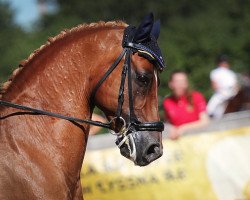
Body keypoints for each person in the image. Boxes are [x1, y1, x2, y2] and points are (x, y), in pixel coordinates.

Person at [163, 70, 209, 140]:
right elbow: (168, 123)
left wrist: (183, 128)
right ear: (171, 84)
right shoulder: (167, 102)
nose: (180, 85)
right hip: (180, 142)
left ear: (186, 83)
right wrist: (171, 129)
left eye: (183, 81)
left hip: (199, 138)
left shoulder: (197, 96)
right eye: (177, 82)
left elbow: (205, 121)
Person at [207, 54, 238, 119]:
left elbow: (214, 86)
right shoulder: (216, 72)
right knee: (209, 108)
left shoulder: (229, 73)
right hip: (225, 94)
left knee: (209, 108)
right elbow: (215, 86)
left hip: (226, 94)